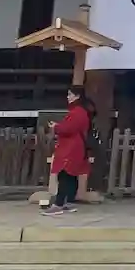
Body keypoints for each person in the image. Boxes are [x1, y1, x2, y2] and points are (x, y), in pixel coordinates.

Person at [43, 86, 93, 216]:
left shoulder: (77, 112)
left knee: (64, 174)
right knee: (71, 175)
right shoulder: (82, 111)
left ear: (77, 96)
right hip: (77, 147)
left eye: (70, 94)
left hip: (70, 148)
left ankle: (58, 204)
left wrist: (56, 127)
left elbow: (68, 129)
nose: (68, 97)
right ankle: (69, 202)